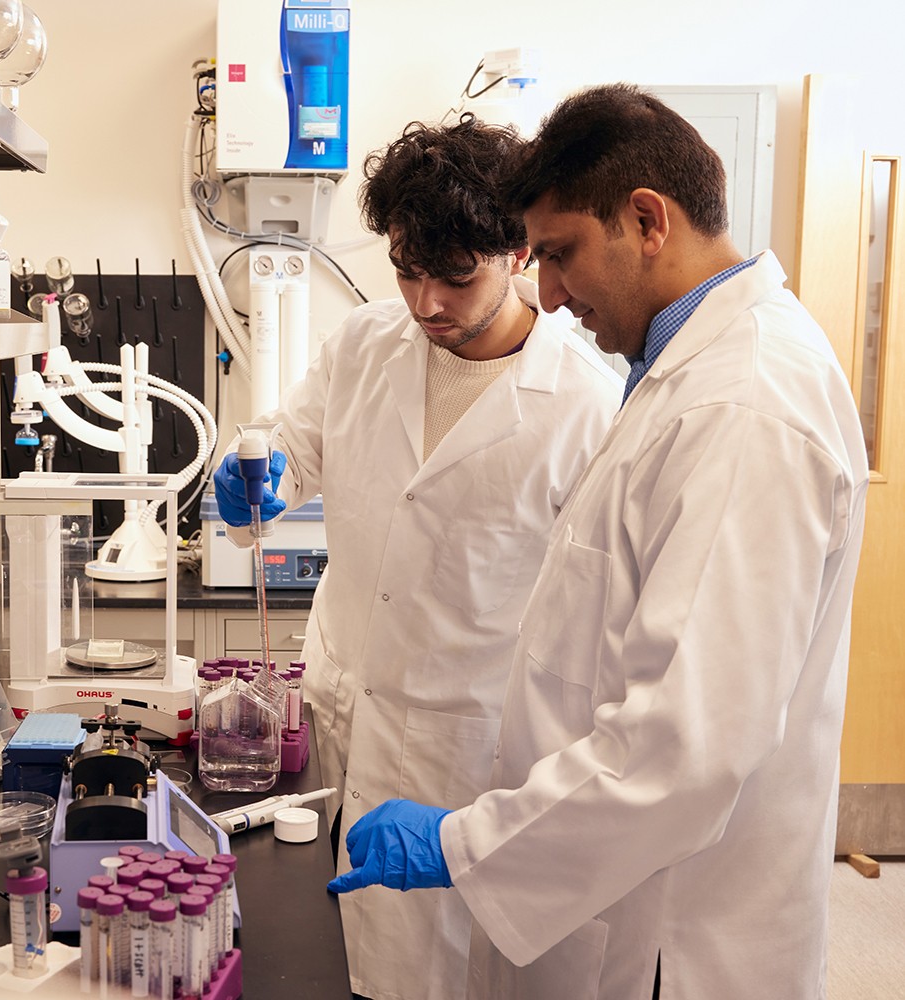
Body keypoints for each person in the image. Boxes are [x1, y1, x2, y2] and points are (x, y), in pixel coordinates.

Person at [327, 83, 870, 1000]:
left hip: (677, 933)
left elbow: (683, 750)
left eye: (561, 253)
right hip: (609, 883)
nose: (547, 292)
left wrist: (463, 843)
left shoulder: (745, 407)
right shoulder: (679, 374)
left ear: (648, 220)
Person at [212, 116, 623, 1000]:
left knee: (435, 976)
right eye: (406, 270)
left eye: (456, 275)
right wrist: (260, 471)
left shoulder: (588, 407)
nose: (426, 302)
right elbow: (293, 443)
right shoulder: (363, 345)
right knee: (318, 953)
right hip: (338, 709)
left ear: (517, 253)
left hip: (466, 752)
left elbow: (597, 627)